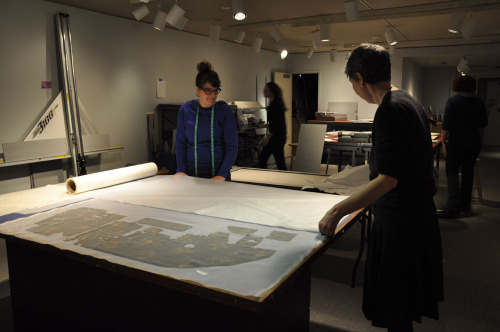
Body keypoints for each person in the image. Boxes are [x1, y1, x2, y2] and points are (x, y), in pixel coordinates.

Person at [318, 44, 443, 331]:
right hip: (415, 218)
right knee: (401, 309)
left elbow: (388, 178)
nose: (354, 88)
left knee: (396, 308)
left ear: (360, 79)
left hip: (401, 226)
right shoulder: (407, 101)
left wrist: (337, 210)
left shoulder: (390, 110)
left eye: (352, 83)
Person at [175, 60, 238, 181]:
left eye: (216, 90)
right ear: (198, 90)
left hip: (219, 178)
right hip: (191, 178)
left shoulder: (224, 111)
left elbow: (232, 146)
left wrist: (222, 174)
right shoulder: (186, 110)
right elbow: (180, 144)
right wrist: (180, 170)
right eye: (208, 90)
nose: (213, 95)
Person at [438, 75, 488, 218]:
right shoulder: (479, 102)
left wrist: (443, 142)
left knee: (452, 172)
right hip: (474, 141)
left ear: (457, 86)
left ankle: (453, 206)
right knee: (468, 172)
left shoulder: (453, 101)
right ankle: (465, 205)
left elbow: (446, 125)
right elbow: (483, 123)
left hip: (456, 141)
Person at [258, 82, 287, 170]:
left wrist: (267, 138)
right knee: (279, 161)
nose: (264, 92)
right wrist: (267, 125)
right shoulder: (276, 101)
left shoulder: (276, 103)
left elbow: (277, 123)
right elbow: (276, 121)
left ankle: (262, 177)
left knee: (263, 158)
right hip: (279, 136)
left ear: (272, 91)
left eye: (266, 91)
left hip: (276, 137)